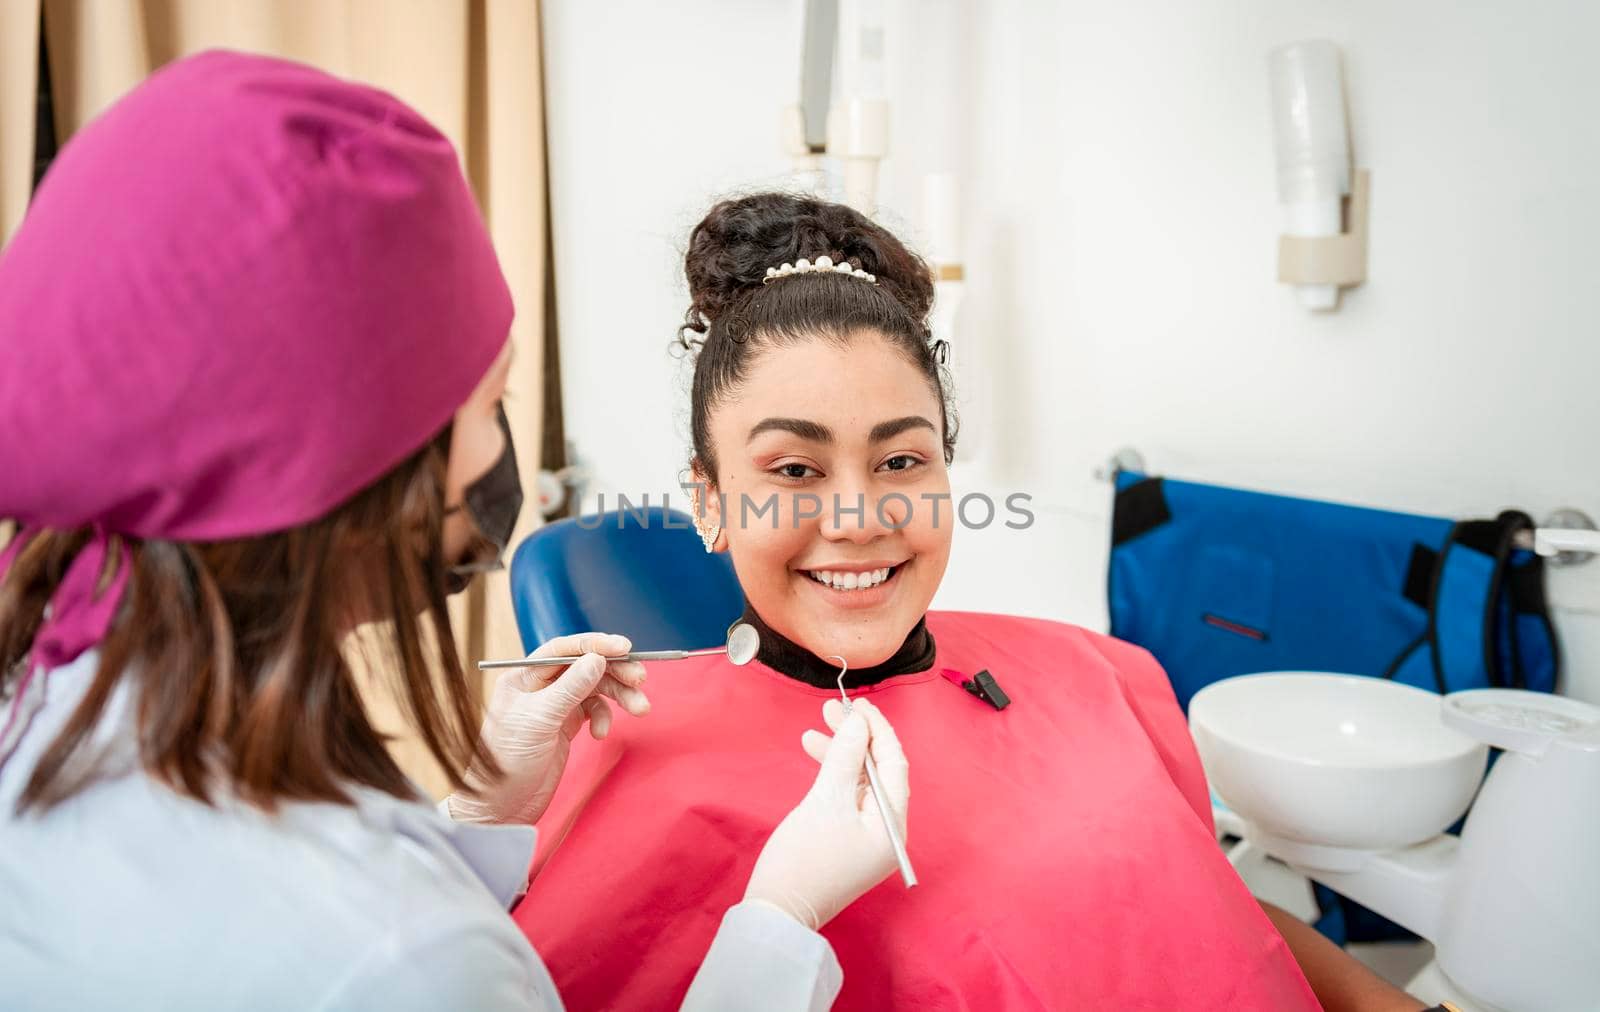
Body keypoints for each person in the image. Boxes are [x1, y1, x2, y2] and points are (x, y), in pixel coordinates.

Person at [0, 54, 908, 1011]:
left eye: (900, 460)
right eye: (488, 401)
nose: (854, 519)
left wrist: (478, 817)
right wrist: (779, 918)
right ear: (354, 469)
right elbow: (394, 961)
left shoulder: (40, 709)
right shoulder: (399, 955)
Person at [514, 193, 1433, 1011]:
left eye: (901, 460)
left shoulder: (1099, 673)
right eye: (793, 470)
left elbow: (1208, 899)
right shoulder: (610, 764)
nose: (858, 517)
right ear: (711, 502)